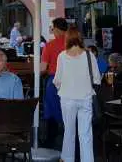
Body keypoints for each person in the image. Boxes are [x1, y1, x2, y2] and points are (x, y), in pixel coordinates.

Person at [54, 28, 101, 162]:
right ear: (80, 38)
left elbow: (57, 80)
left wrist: (63, 88)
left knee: (69, 132)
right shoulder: (89, 55)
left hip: (67, 99)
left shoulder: (62, 56)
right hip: (85, 98)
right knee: (85, 134)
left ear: (67, 38)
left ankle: (67, 159)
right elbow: (97, 78)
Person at [41, 18, 68, 148]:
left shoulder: (50, 45)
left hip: (54, 81)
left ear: (56, 28)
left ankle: (51, 140)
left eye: (52, 27)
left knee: (51, 110)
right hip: (71, 81)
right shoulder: (72, 44)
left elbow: (42, 68)